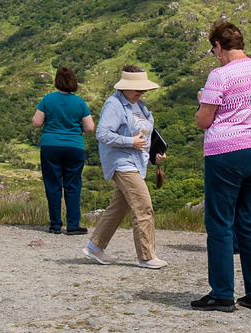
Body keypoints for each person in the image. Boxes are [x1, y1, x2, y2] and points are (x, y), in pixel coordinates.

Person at [191, 20, 251, 313]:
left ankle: (222, 294)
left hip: (228, 151)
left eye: (213, 49)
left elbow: (204, 120)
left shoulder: (220, 75)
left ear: (218, 46)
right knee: (250, 223)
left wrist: (199, 109)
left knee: (220, 223)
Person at [82, 66, 168, 269]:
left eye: (143, 89)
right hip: (121, 163)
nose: (141, 92)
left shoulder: (140, 106)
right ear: (126, 87)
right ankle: (146, 256)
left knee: (118, 207)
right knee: (143, 205)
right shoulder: (114, 105)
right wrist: (130, 142)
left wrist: (153, 155)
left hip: (136, 162)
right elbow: (102, 134)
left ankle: (95, 246)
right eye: (137, 89)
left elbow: (144, 137)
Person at [33, 67, 96, 235]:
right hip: (74, 147)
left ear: (57, 82)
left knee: (53, 185)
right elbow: (90, 128)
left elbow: (37, 123)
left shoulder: (47, 99)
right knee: (73, 185)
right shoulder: (80, 102)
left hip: (50, 146)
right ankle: (73, 225)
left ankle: (55, 225)